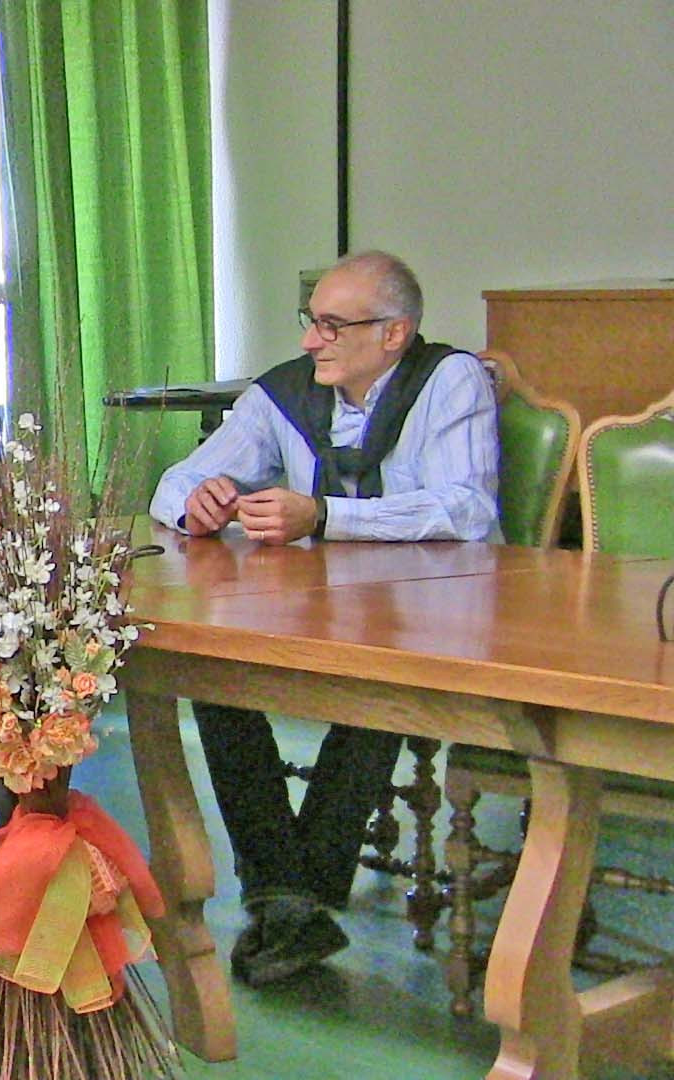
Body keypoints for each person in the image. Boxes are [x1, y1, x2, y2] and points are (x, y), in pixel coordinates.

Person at [149, 250, 498, 986]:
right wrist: (198, 500)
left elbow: (466, 508)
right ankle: (292, 896)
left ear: (395, 332)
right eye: (312, 323)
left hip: (436, 612)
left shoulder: (449, 381)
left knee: (375, 686)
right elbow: (177, 481)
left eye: (334, 326)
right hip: (320, 610)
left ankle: (284, 898)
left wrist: (328, 515)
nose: (313, 341)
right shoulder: (283, 394)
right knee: (216, 675)